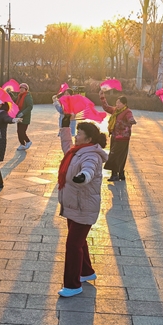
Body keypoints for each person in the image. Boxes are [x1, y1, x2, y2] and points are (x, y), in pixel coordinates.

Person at [57, 114, 108, 297]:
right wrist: (65, 127)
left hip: (84, 206)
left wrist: (83, 177)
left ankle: (73, 285)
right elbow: (66, 145)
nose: (76, 136)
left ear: (89, 139)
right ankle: (86, 272)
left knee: (73, 245)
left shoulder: (92, 155)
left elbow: (89, 169)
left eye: (79, 134)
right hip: (74, 205)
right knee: (78, 241)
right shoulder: (76, 151)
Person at [99, 90, 137, 181]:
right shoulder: (115, 111)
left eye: (119, 103)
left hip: (123, 138)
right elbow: (106, 107)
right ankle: (120, 173)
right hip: (114, 136)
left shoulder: (127, 112)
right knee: (118, 155)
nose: (117, 104)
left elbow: (130, 118)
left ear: (124, 104)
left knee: (115, 155)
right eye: (117, 103)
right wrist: (102, 97)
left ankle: (115, 174)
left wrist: (131, 121)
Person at [16, 82, 34, 150]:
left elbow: (30, 106)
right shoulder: (19, 96)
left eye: (23, 88)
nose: (21, 89)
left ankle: (28, 141)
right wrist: (10, 93)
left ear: (26, 89)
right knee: (19, 131)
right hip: (19, 117)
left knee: (22, 131)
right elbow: (15, 101)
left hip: (25, 118)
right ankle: (22, 144)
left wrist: (23, 113)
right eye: (20, 88)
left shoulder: (27, 97)